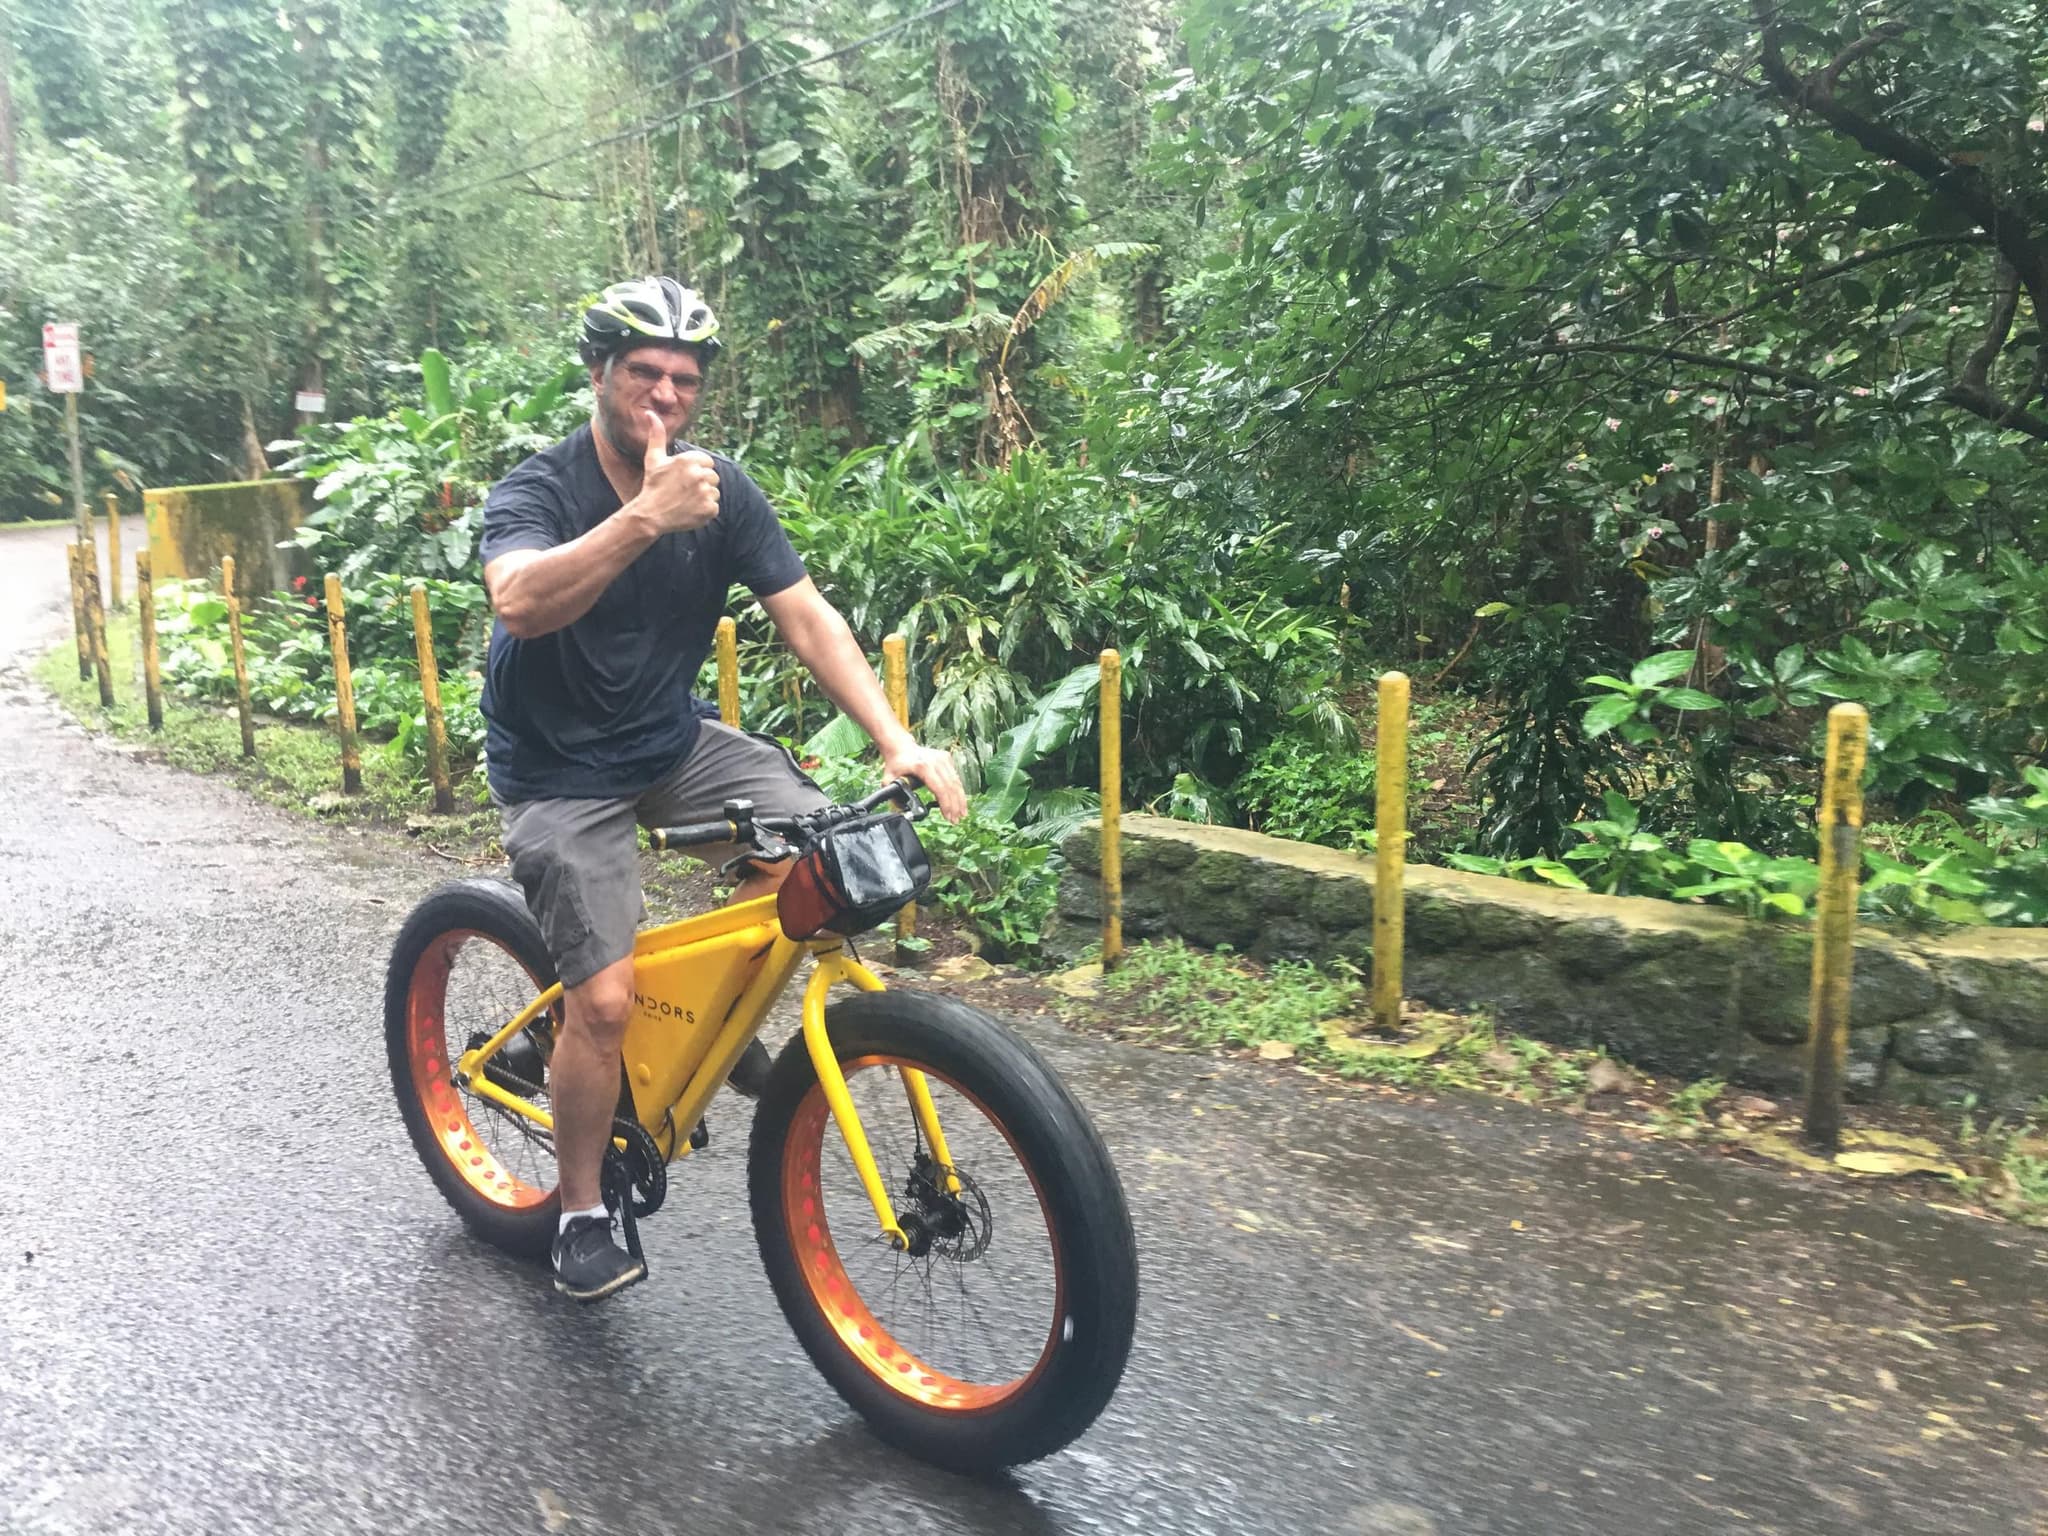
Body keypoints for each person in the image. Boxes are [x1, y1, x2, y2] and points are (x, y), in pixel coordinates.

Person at [478, 276, 967, 1302]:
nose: (663, 394)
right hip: (560, 773)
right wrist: (644, 520)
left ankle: (709, 1030)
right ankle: (577, 1209)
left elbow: (804, 614)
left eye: (683, 379)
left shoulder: (720, 490)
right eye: (643, 372)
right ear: (601, 376)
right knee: (602, 1004)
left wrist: (895, 740)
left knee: (830, 864)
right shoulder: (540, 488)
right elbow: (521, 604)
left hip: (671, 740)